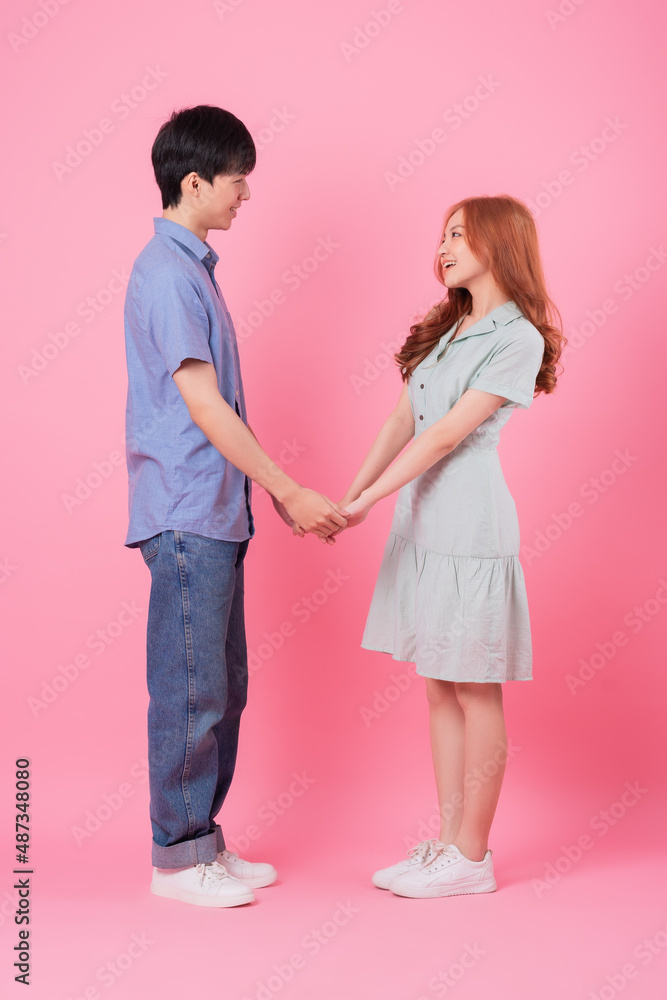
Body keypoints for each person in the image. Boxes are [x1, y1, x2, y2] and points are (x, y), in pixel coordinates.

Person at [123, 105, 347, 908]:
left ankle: (202, 844)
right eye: (237, 177)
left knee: (223, 686)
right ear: (195, 182)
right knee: (192, 690)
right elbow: (204, 405)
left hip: (215, 512)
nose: (246, 192)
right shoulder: (168, 275)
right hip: (187, 513)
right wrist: (287, 487)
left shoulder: (192, 270)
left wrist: (266, 497)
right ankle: (177, 861)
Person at [337, 195, 564, 898]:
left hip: (468, 529)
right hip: (422, 524)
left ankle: (472, 855)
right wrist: (352, 497)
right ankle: (446, 845)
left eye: (458, 235)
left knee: (473, 685)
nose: (443, 247)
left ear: (499, 243)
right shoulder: (450, 327)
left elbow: (443, 435)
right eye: (440, 237)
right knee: (438, 684)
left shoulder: (516, 337)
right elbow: (402, 419)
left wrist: (367, 503)